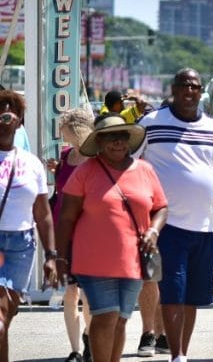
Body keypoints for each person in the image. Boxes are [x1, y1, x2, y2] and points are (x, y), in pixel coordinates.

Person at [137, 68, 213, 362]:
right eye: (184, 85)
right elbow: (128, 164)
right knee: (172, 291)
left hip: (204, 227)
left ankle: (181, 352)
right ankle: (177, 356)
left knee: (192, 297)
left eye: (195, 87)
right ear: (173, 89)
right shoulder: (150, 123)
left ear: (201, 92)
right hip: (165, 226)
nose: (190, 91)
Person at [56, 114, 168, 362]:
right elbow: (66, 218)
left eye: (122, 136)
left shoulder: (145, 170)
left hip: (134, 260)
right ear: (99, 141)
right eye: (110, 137)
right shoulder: (86, 171)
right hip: (93, 261)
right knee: (105, 316)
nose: (117, 142)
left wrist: (153, 230)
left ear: (129, 140)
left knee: (120, 319)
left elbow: (161, 206)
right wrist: (59, 257)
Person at [0, 90, 60, 362]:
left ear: (20, 120)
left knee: (7, 315)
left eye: (13, 109)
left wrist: (51, 256)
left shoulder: (31, 163)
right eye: (2, 108)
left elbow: (43, 213)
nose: (7, 113)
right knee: (0, 319)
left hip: (21, 247)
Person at [50, 109, 95, 362]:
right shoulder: (65, 156)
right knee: (70, 292)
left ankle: (90, 336)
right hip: (64, 233)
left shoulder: (96, 158)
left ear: (75, 128)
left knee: (88, 295)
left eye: (63, 127)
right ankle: (75, 350)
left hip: (88, 234)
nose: (61, 133)